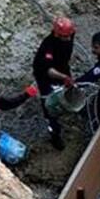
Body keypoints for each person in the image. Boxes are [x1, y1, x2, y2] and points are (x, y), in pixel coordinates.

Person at [33, 17, 76, 151]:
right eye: (65, 36)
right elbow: (48, 70)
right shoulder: (48, 47)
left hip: (61, 67)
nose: (68, 39)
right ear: (57, 34)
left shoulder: (69, 35)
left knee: (67, 91)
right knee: (49, 106)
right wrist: (64, 77)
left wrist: (66, 76)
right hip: (46, 76)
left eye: (70, 35)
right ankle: (55, 135)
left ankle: (66, 106)